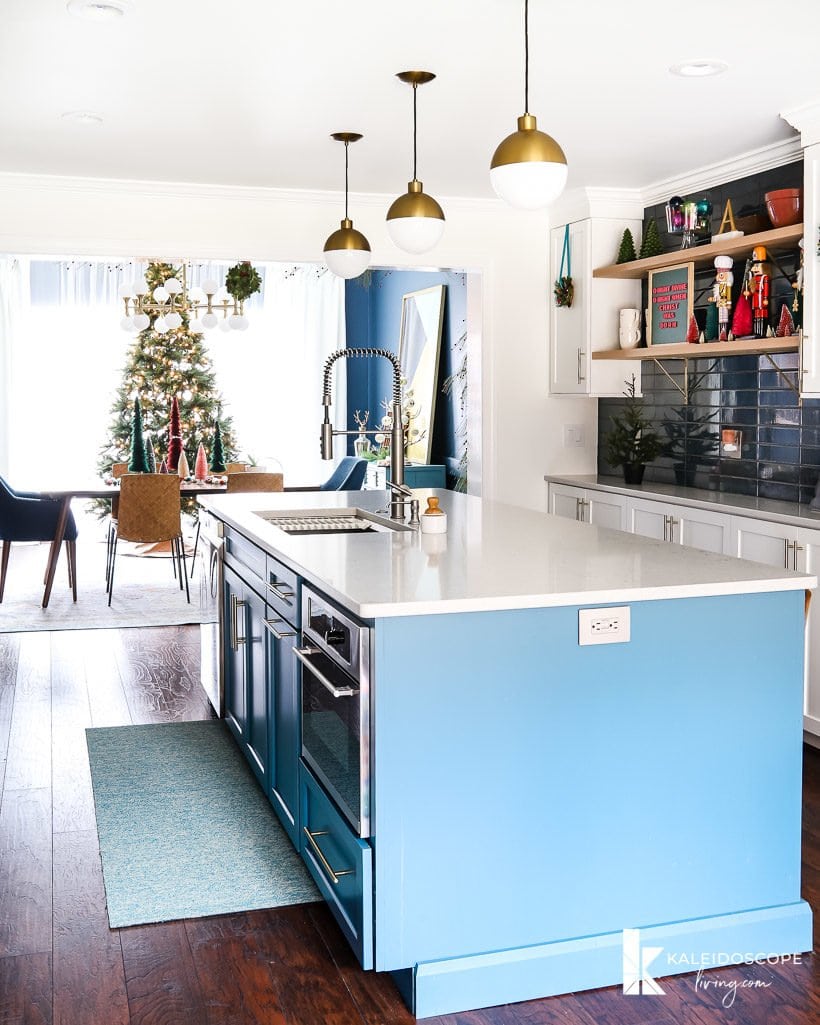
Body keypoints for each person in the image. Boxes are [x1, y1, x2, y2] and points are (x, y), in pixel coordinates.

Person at [748, 245, 770, 338]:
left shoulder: (764, 278)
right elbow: (752, 291)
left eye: (757, 266)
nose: (754, 269)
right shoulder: (754, 279)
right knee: (756, 318)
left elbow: (766, 289)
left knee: (762, 317)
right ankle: (756, 332)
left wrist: (765, 298)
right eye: (754, 266)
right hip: (756, 302)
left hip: (762, 302)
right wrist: (748, 293)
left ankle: (762, 332)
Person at [712, 255, 734, 341]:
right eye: (718, 272)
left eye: (721, 272)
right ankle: (721, 334)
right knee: (720, 319)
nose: (719, 275)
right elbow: (717, 296)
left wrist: (728, 304)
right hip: (720, 305)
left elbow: (728, 296)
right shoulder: (719, 286)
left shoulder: (727, 286)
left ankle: (724, 334)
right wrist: (714, 299)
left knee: (724, 319)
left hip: (724, 305)